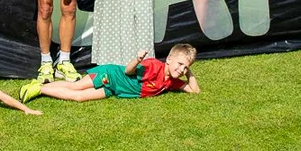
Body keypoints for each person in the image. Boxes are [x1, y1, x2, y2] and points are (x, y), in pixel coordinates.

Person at [19, 44, 199, 103]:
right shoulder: (154, 66)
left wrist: (189, 70)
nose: (181, 69)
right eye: (180, 64)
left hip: (115, 89)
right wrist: (137, 59)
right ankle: (39, 88)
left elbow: (195, 91)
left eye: (185, 67)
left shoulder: (170, 82)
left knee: (79, 98)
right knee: (76, 86)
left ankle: (41, 88)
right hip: (111, 74)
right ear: (168, 59)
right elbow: (128, 71)